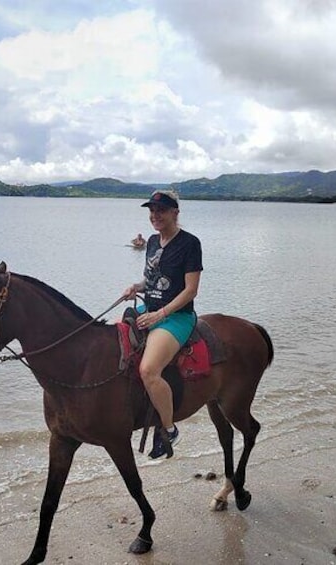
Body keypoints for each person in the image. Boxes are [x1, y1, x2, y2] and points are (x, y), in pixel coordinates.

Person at [122, 190, 202, 459]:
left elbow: (191, 290)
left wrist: (160, 315)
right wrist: (136, 286)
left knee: (148, 370)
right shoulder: (153, 241)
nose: (155, 216)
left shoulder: (190, 243)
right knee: (109, 337)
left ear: (175, 213)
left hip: (176, 316)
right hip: (150, 308)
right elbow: (153, 278)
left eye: (161, 210)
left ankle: (169, 429)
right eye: (151, 211)